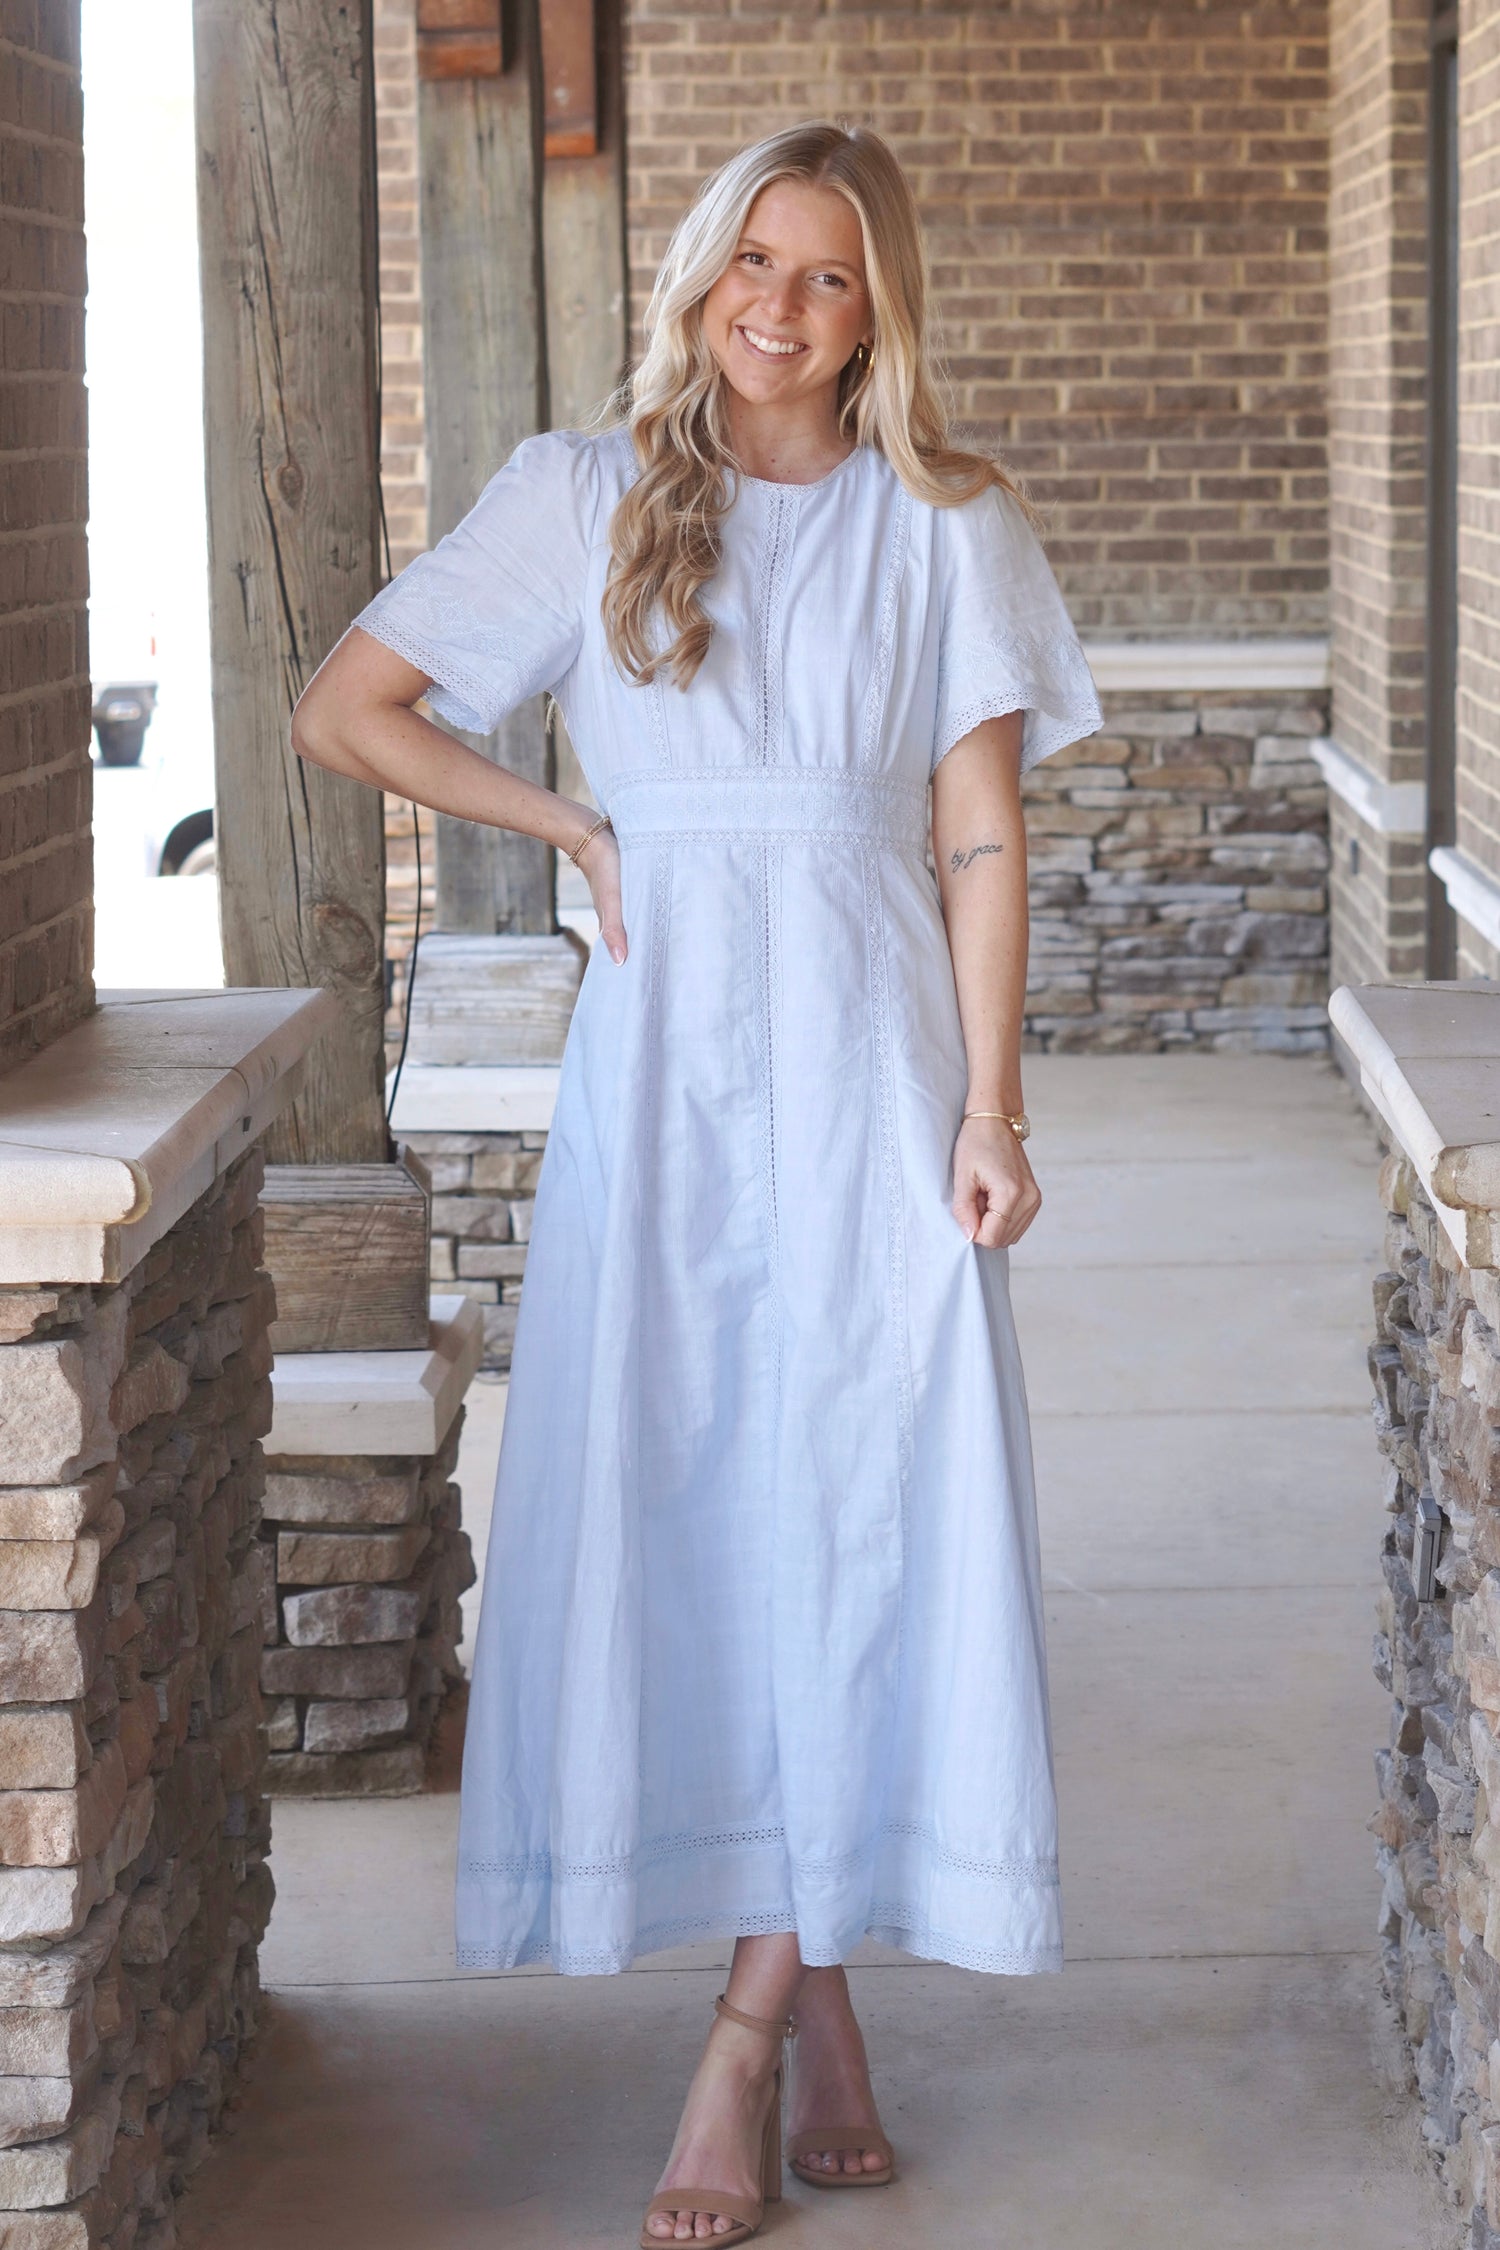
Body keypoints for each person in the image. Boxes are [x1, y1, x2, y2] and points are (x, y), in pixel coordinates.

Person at [293, 118, 1101, 2249]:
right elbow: (352, 704)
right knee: (714, 1505)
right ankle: (815, 1979)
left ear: (882, 309)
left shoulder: (946, 518)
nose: (781, 305)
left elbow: (986, 840)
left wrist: (995, 1112)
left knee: (861, 1508)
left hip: (874, 1070)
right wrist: (565, 833)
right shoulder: (584, 494)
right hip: (663, 1091)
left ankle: (743, 2036)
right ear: (698, 270)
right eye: (754, 257)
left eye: (831, 275)